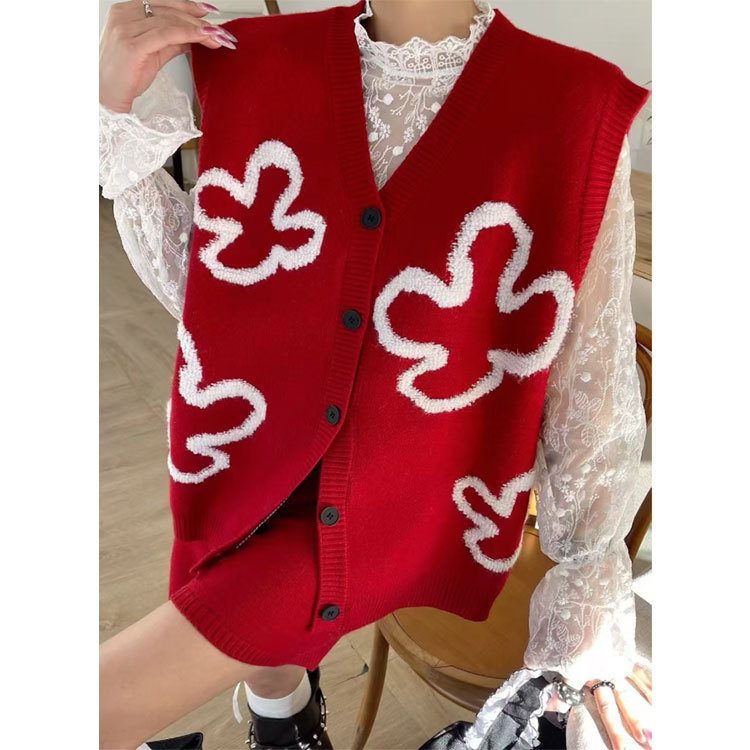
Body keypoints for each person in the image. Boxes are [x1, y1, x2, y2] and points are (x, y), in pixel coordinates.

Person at [99, 1, 653, 748]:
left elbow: (593, 385)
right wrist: (115, 107)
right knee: (234, 610)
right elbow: (213, 290)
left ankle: (284, 715)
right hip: (240, 456)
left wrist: (586, 584)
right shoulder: (254, 60)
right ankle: (286, 721)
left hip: (400, 512)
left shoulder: (575, 105)